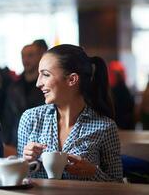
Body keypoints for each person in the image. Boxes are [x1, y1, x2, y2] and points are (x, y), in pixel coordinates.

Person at [18, 44, 123, 182]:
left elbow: (118, 186)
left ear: (72, 79)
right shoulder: (30, 118)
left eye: (45, 75)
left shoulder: (105, 127)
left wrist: (93, 172)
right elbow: (19, 179)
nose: (38, 83)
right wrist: (25, 162)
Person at [1, 44, 45, 151]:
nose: (26, 60)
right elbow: (7, 118)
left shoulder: (46, 86)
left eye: (30, 55)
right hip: (16, 141)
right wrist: (6, 142)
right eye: (23, 56)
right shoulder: (13, 87)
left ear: (40, 57)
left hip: (41, 141)